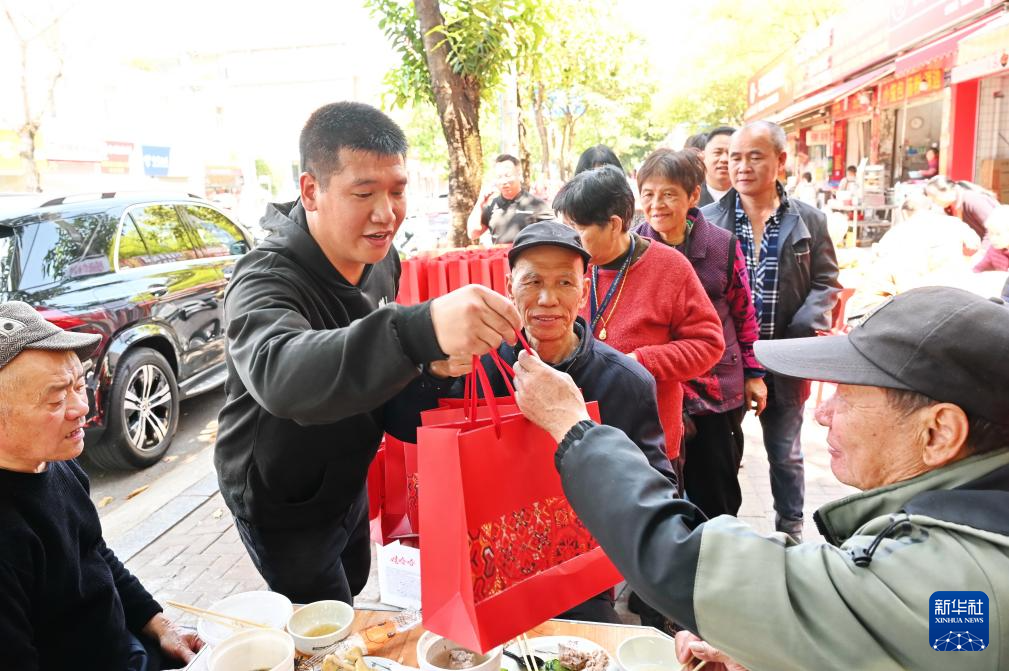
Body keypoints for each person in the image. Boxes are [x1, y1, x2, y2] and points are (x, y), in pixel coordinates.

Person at [512, 285, 1009, 671]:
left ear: (938, 432)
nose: (824, 414)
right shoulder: (969, 536)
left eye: (847, 395)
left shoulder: (956, 587)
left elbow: (682, 560)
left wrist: (573, 428)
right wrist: (780, 646)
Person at [214, 102, 522, 605]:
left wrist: (433, 365)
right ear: (311, 191)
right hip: (282, 495)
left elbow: (383, 368)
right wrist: (418, 330)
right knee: (327, 617)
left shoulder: (382, 259)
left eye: (397, 191)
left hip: (349, 472)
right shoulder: (263, 280)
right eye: (363, 194)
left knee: (354, 580)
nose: (386, 214)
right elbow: (279, 372)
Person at [385, 221, 675, 623]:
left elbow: (658, 487)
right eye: (533, 281)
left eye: (564, 283)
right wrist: (434, 373)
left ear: (584, 290)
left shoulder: (624, 382)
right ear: (509, 286)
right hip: (482, 574)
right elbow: (405, 428)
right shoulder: (476, 366)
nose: (547, 299)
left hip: (578, 582)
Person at [0, 301, 202, 670]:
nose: (81, 406)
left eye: (80, 384)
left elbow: (93, 552)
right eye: (57, 398)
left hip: (127, 647)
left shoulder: (55, 461)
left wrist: (160, 624)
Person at [701, 120, 840, 540]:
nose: (741, 166)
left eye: (754, 157)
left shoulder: (809, 220)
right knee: (721, 454)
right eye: (735, 157)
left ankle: (791, 534)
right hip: (727, 363)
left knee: (786, 454)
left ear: (780, 160)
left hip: (786, 359)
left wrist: (801, 331)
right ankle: (722, 534)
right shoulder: (709, 221)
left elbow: (827, 283)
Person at [553, 165, 725, 466]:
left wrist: (639, 362)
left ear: (614, 224)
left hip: (647, 441)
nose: (566, 239)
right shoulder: (569, 267)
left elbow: (708, 345)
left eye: (576, 229)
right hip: (580, 435)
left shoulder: (670, 268)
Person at [632, 148, 765, 520]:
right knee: (662, 494)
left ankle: (721, 552)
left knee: (716, 495)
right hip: (658, 386)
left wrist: (754, 374)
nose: (657, 204)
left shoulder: (722, 246)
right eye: (648, 194)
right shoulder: (632, 247)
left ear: (693, 196)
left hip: (715, 388)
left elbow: (744, 312)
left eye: (669, 194)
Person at [847, 190, 980, 320]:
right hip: (952, 296)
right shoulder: (954, 224)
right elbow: (972, 247)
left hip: (911, 300)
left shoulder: (895, 233)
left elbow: (878, 266)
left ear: (904, 213)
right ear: (930, 208)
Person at [467, 154, 553, 243]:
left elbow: (554, 234)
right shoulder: (492, 206)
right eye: (499, 177)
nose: (504, 181)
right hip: (500, 252)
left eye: (507, 175)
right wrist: (480, 202)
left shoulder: (536, 205)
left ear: (519, 174)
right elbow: (472, 234)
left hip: (528, 252)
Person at [925, 175, 999, 239]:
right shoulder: (949, 207)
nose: (933, 201)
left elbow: (996, 229)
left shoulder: (972, 200)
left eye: (934, 197)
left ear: (946, 190)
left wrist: (983, 250)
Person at [698, 126, 735, 207]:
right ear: (703, 156)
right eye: (717, 152)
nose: (724, 159)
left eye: (731, 153)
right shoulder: (690, 197)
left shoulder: (750, 197)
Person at [974, 205, 1009, 272]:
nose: (992, 239)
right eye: (990, 233)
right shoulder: (993, 250)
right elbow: (979, 268)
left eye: (998, 234)